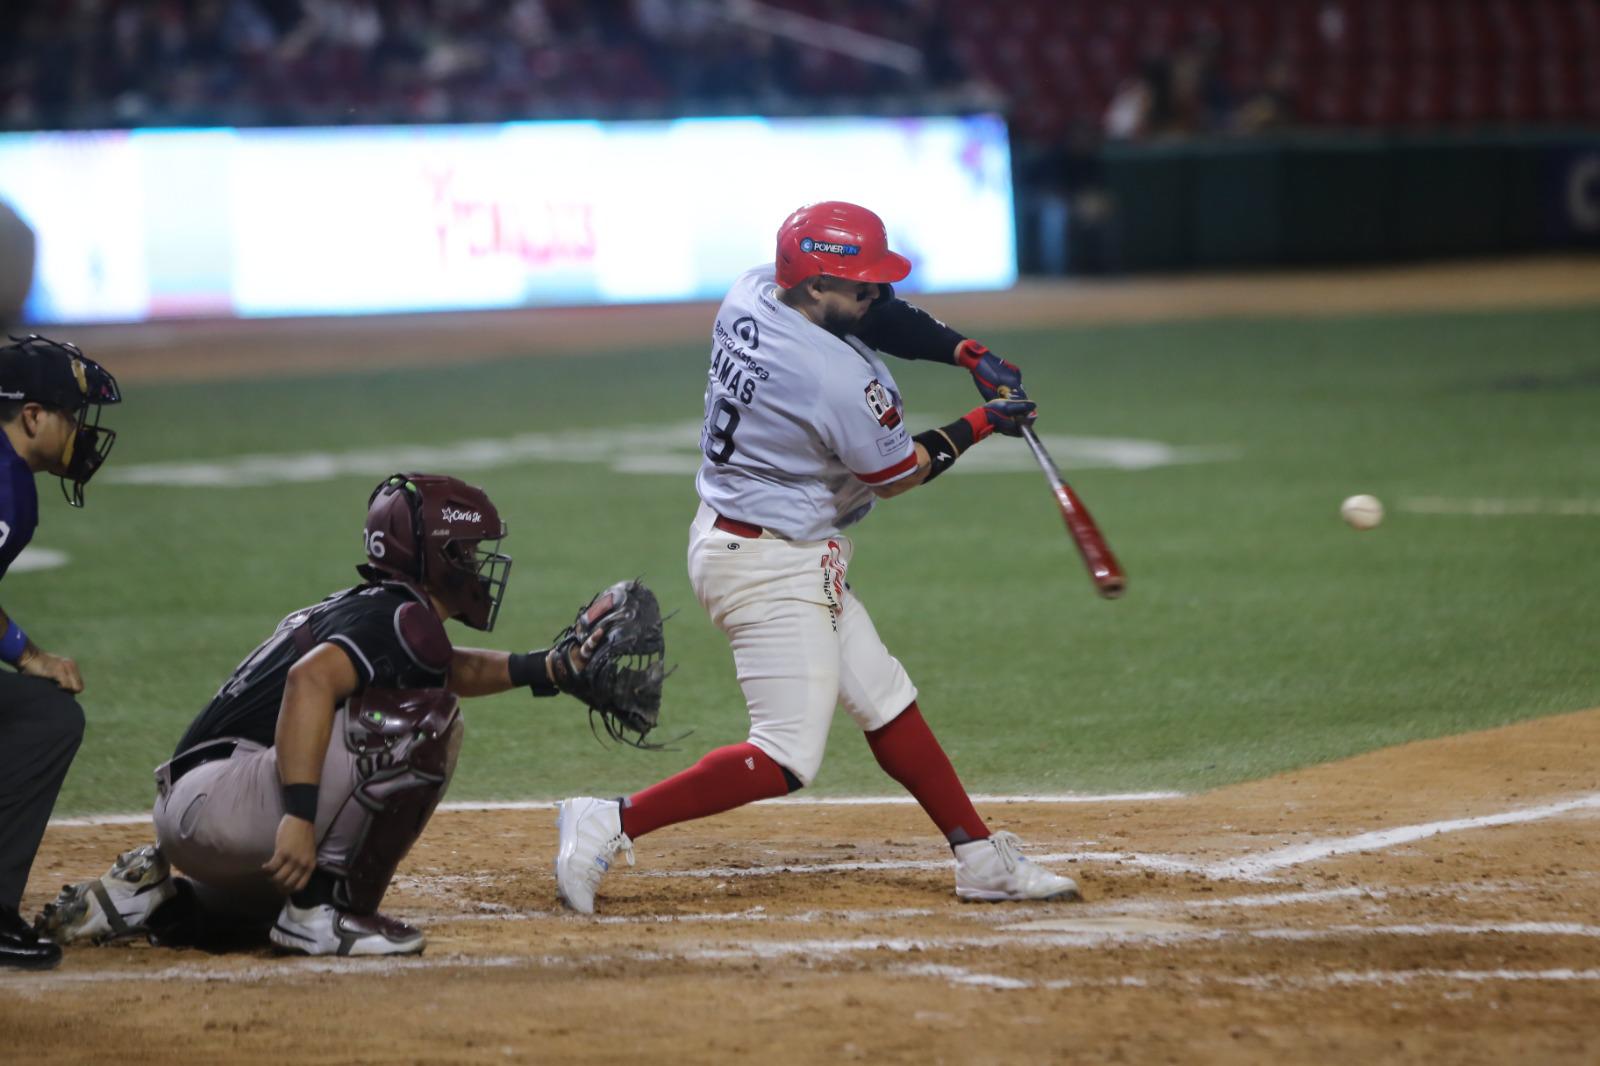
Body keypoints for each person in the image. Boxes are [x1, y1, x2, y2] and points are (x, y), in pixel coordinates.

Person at [554, 201, 1080, 914]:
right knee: (785, 755)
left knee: (885, 699)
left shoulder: (754, 290)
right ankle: (608, 820)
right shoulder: (834, 380)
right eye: (858, 284)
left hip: (762, 538)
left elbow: (877, 316)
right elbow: (899, 475)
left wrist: (965, 351)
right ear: (813, 287)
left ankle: (981, 858)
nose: (874, 295)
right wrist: (985, 422)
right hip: (765, 563)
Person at [39, 472, 608, 957]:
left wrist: (546, 669)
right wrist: (299, 817)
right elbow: (308, 681)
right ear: (434, 555)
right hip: (223, 804)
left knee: (420, 706)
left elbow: (447, 667)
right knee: (425, 723)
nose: (477, 566)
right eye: (465, 551)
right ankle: (321, 913)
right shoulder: (399, 619)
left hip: (200, 804)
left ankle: (153, 901)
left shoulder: (383, 612)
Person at [0, 335, 121, 970]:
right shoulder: (6, 485)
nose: (80, 432)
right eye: (71, 416)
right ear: (33, 417)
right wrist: (26, 656)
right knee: (48, 718)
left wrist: (20, 653)